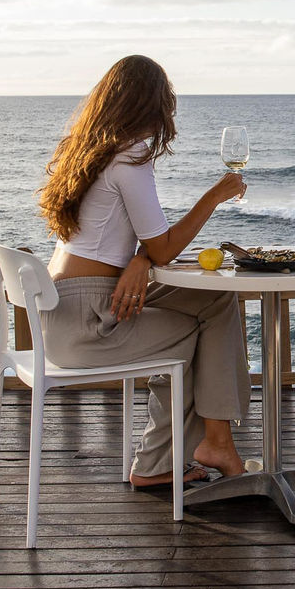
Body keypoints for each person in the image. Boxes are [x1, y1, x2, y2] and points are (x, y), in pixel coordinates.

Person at [39, 55, 250, 488]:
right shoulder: (130, 156)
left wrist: (140, 258)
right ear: (151, 105)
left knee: (216, 299)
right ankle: (199, 448)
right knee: (195, 329)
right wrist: (214, 196)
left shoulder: (84, 152)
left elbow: (128, 238)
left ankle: (182, 453)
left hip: (66, 311)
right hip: (89, 322)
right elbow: (166, 248)